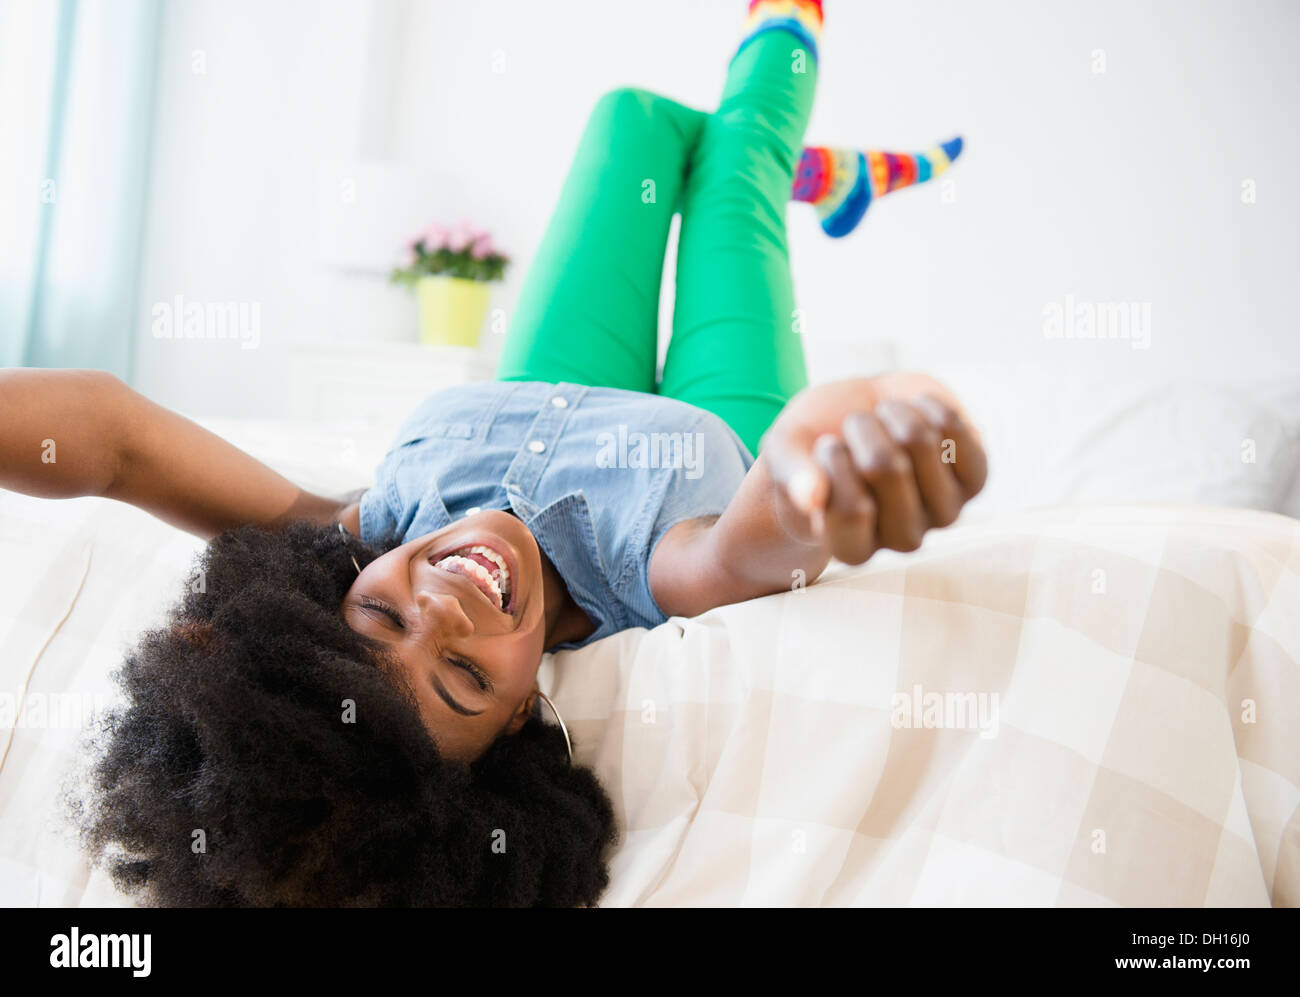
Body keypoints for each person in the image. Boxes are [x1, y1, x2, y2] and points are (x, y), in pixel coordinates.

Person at [0, 0, 985, 906]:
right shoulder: (637, 583)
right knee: (737, 169)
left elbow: (121, 446)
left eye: (381, 613)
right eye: (465, 677)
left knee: (631, 119)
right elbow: (751, 543)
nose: (442, 608)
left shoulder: (361, 526)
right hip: (717, 411)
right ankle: (786, 162)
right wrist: (823, 461)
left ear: (331, 593)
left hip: (541, 375)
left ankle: (824, 176)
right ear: (518, 718)